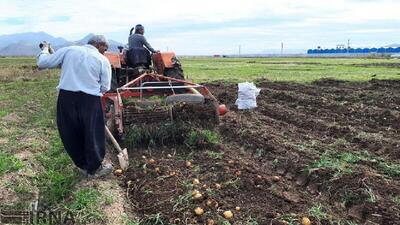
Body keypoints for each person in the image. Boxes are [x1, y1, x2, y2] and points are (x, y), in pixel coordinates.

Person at [36, 35, 113, 178]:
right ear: (99, 44)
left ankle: (82, 165)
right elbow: (105, 86)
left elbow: (43, 63)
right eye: (105, 48)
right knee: (92, 133)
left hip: (66, 98)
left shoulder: (69, 51)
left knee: (70, 131)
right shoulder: (102, 60)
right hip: (90, 100)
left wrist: (45, 49)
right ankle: (94, 169)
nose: (105, 52)